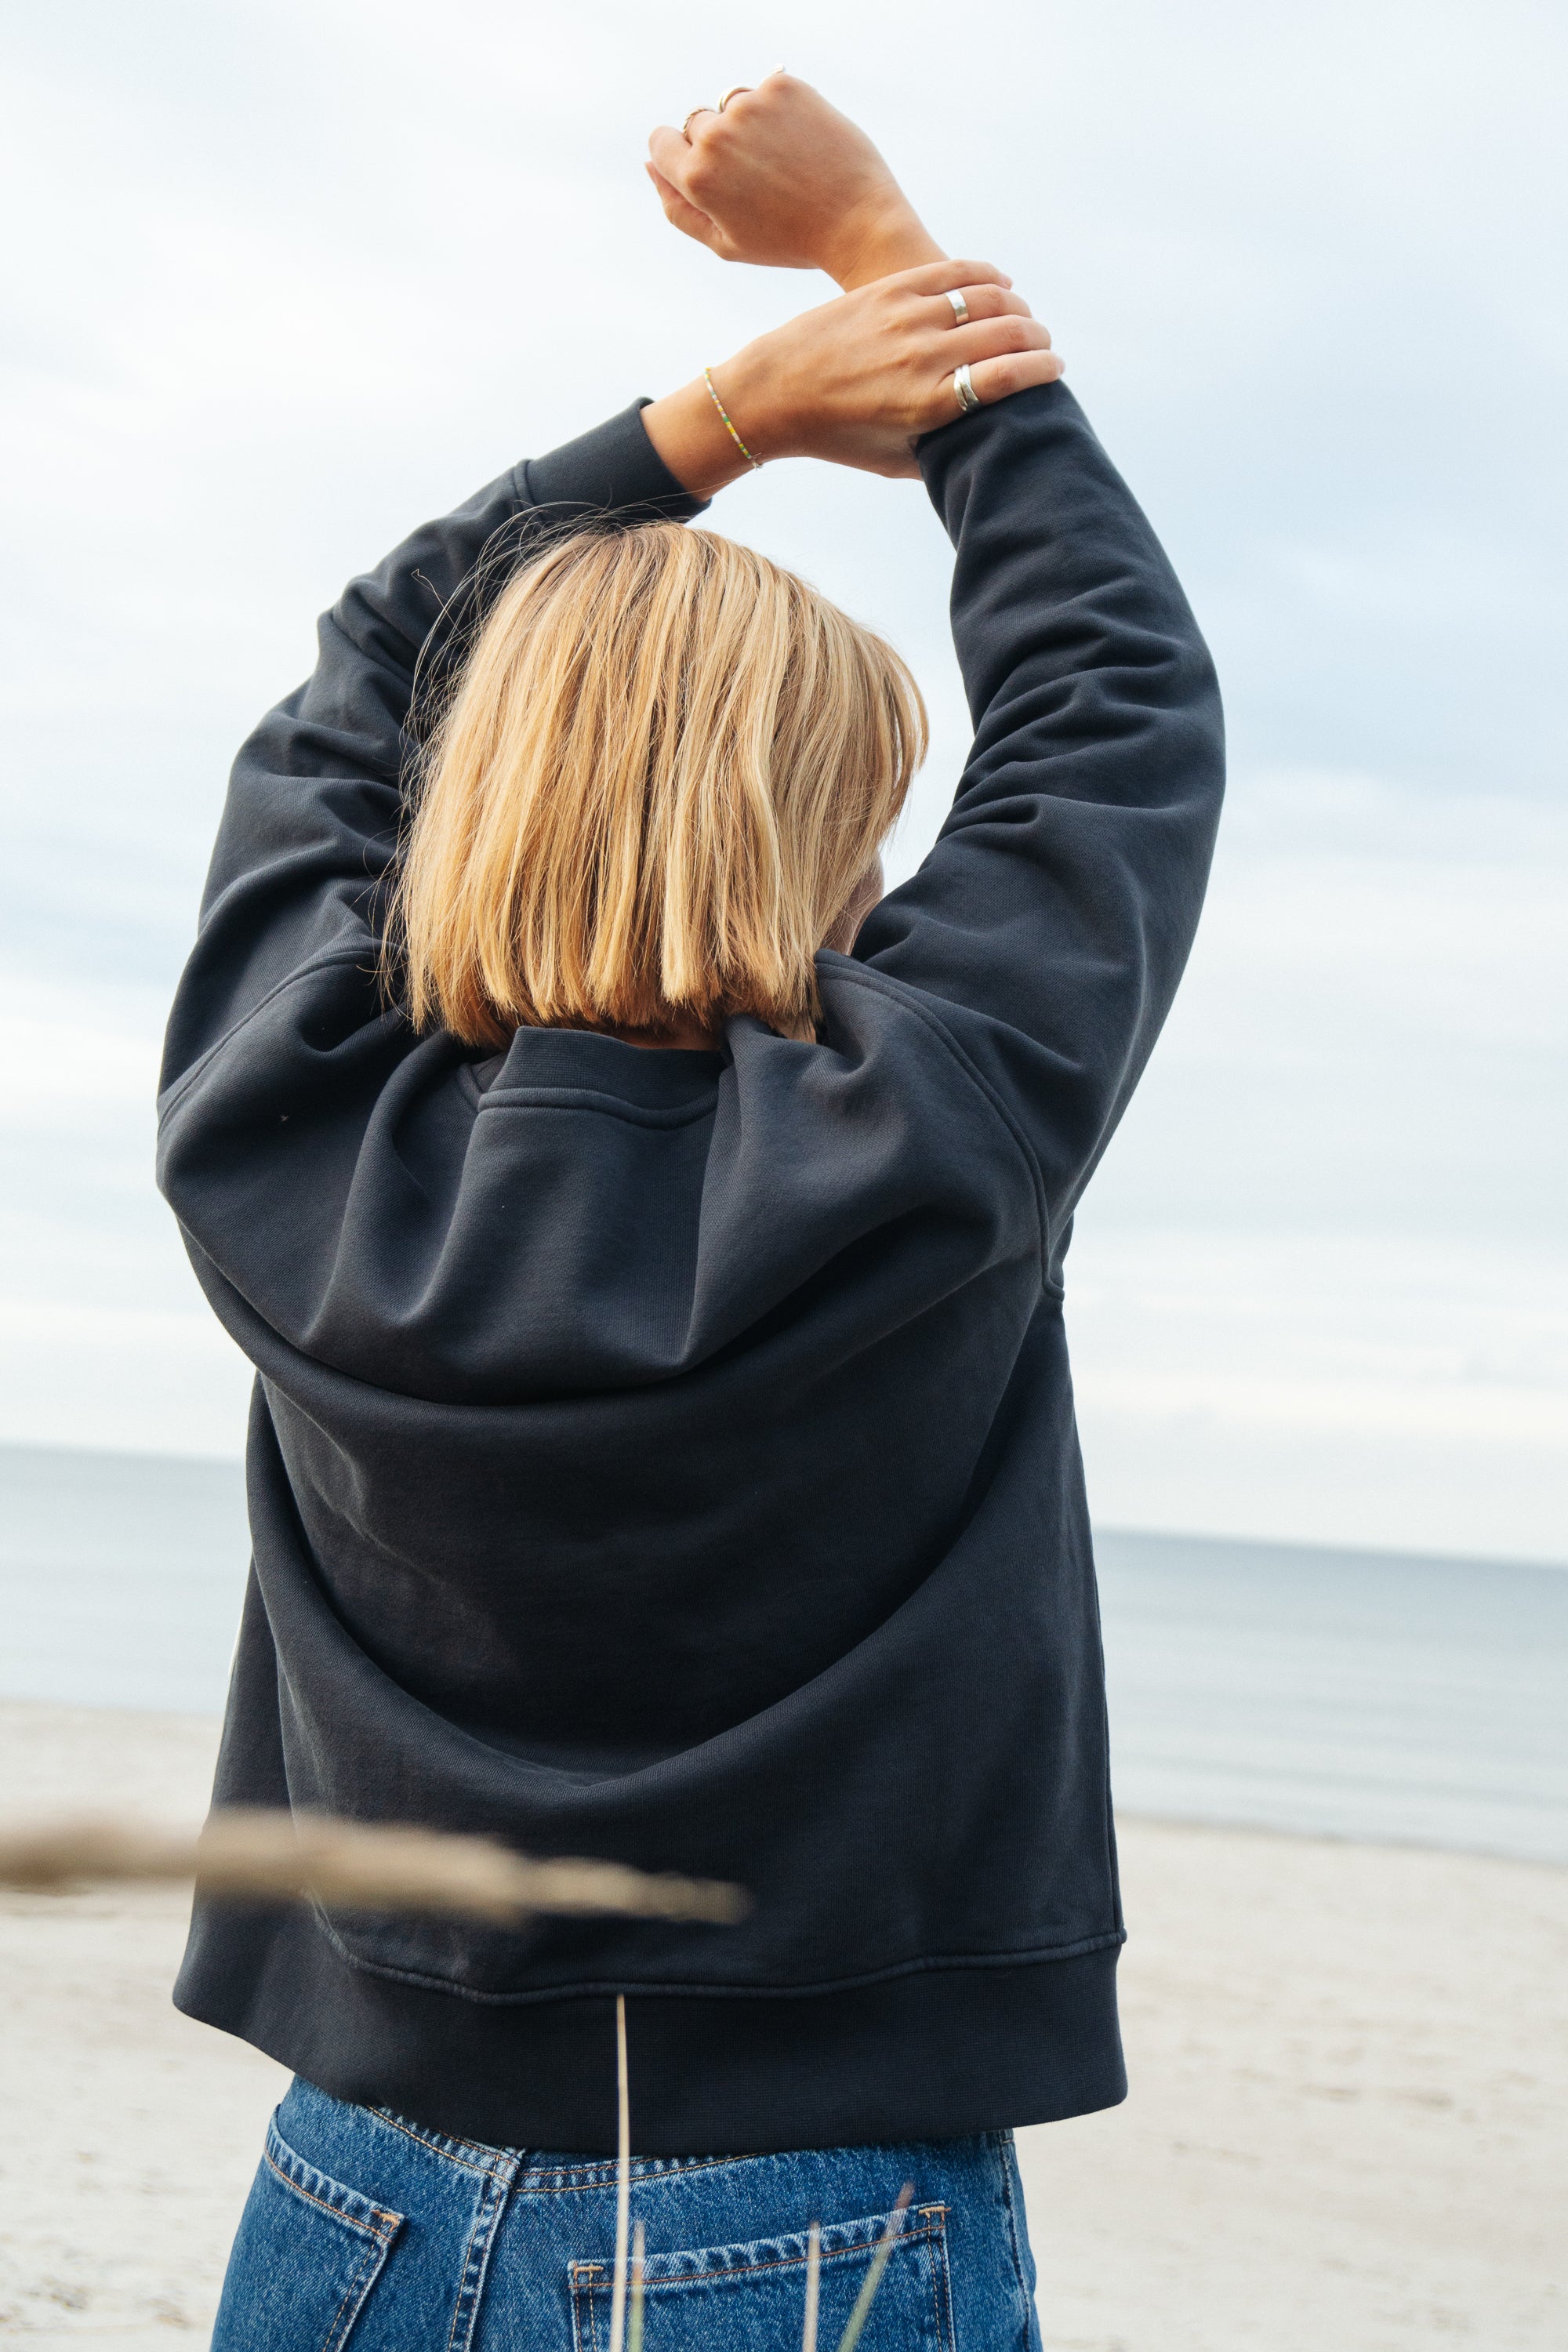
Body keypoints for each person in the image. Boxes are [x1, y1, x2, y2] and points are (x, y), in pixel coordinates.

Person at [159, 74, 1223, 2352]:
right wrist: (890, 264)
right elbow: (1117, 707)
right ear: (813, 847)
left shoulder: (283, 1131)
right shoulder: (915, 1125)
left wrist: (720, 413)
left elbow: (350, 688)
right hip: (805, 2211)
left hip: (351, 2185)